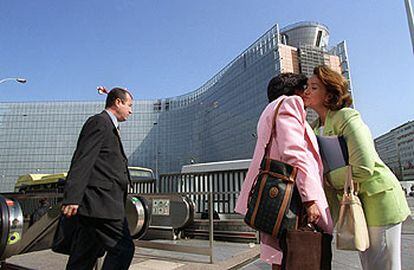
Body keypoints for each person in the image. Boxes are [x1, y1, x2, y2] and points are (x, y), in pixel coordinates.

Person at [303, 65, 410, 270]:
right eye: (307, 86)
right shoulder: (315, 128)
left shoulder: (347, 117)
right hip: (353, 203)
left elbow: (363, 167)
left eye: (314, 87)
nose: (307, 91)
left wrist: (327, 179)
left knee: (383, 265)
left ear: (329, 94)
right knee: (369, 264)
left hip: (378, 199)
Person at [235, 73, 333, 270]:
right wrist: (310, 198)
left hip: (273, 197)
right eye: (305, 87)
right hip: (292, 197)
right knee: (300, 253)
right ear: (295, 90)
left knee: (281, 256)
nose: (306, 93)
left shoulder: (269, 110)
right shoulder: (290, 103)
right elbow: (293, 151)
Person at [61, 87, 135, 270]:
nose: (131, 110)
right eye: (129, 105)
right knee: (123, 248)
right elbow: (83, 159)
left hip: (98, 205)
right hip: (101, 204)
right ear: (118, 102)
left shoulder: (109, 126)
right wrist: (72, 197)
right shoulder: (99, 122)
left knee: (84, 256)